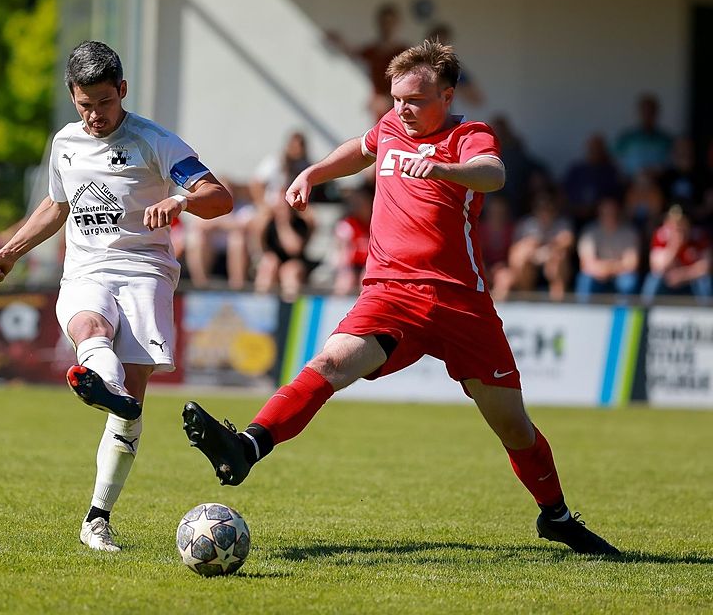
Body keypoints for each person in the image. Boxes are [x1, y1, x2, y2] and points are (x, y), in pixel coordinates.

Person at [182, 40, 619, 556]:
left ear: (447, 94)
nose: (402, 110)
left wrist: (441, 169)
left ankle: (557, 516)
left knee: (513, 427)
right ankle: (248, 446)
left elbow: (493, 174)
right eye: (396, 99)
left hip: (462, 304)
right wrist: (313, 172)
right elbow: (362, 147)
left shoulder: (469, 134)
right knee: (331, 361)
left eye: (414, 100)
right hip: (391, 292)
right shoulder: (391, 127)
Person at [0, 41, 232, 552]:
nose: (95, 114)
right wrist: (11, 251)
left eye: (104, 102)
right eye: (84, 103)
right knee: (89, 328)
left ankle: (97, 517)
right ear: (72, 95)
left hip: (146, 271)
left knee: (130, 403)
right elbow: (56, 205)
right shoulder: (65, 143)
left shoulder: (154, 142)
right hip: (87, 269)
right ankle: (101, 383)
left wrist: (179, 201)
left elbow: (219, 197)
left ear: (123, 91)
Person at [326, 3, 409, 122]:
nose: (387, 27)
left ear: (397, 24)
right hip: (377, 110)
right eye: (384, 23)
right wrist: (338, 40)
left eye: (390, 23)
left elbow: (412, 85)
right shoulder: (373, 50)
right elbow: (354, 53)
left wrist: (389, 100)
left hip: (398, 110)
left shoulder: (404, 52)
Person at [492, 193, 575, 302]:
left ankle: (557, 302)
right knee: (511, 269)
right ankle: (526, 300)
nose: (544, 211)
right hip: (529, 269)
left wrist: (548, 247)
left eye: (548, 207)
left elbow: (568, 240)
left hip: (552, 267)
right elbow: (514, 252)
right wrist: (531, 247)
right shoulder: (526, 224)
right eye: (541, 208)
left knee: (558, 259)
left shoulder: (562, 223)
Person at [641, 205, 712, 303]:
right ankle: (645, 311)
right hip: (668, 281)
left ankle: (707, 313)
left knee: (704, 281)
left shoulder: (699, 236)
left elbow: (705, 267)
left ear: (688, 223)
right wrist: (674, 246)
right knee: (653, 278)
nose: (676, 227)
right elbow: (657, 267)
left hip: (689, 281)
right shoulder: (660, 235)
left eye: (680, 223)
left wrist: (682, 275)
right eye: (672, 223)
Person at [574, 198, 640, 302]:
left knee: (628, 282)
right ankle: (584, 314)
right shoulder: (589, 231)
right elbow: (586, 264)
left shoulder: (629, 232)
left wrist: (609, 269)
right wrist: (608, 268)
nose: (609, 214)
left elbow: (631, 263)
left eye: (612, 212)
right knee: (585, 279)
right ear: (599, 213)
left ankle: (622, 316)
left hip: (619, 274)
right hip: (597, 274)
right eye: (605, 212)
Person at [614, 93, 674, 180]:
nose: (647, 115)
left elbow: (671, 164)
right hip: (631, 184)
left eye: (650, 111)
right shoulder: (626, 137)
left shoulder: (666, 139)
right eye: (644, 111)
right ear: (639, 112)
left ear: (656, 113)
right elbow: (616, 161)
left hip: (659, 184)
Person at [333, 184, 373, 295]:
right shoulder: (347, 224)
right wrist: (346, 271)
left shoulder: (376, 223)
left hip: (371, 265)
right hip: (352, 265)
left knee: (366, 278)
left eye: (362, 202)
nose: (359, 206)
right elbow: (343, 254)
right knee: (345, 281)